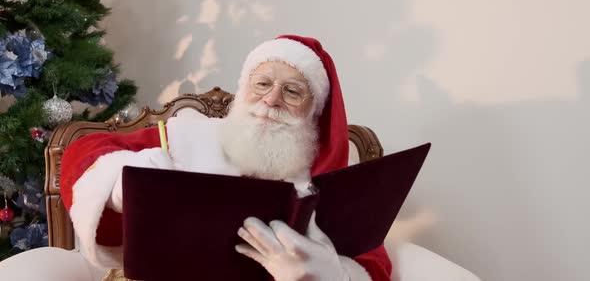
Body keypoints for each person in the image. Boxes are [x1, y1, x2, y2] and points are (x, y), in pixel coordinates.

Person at [0, 35, 394, 280]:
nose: (272, 99)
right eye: (262, 84)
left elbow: (371, 257)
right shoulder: (188, 135)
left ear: (312, 111)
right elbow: (84, 151)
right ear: (244, 91)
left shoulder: (322, 179)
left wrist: (331, 277)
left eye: (293, 92)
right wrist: (121, 185)